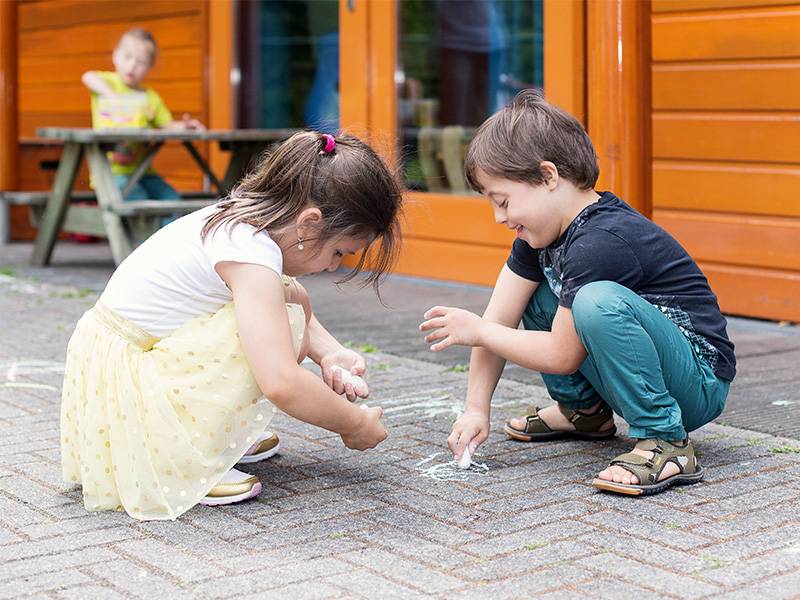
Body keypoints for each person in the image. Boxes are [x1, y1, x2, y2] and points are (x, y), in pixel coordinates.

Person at [61, 132, 403, 520]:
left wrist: (330, 353)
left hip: (122, 359)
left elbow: (294, 299)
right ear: (309, 224)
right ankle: (179, 458)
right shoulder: (251, 255)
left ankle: (207, 436)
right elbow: (281, 382)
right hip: (130, 379)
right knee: (278, 329)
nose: (336, 264)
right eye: (340, 250)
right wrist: (353, 423)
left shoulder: (248, 224)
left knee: (289, 301)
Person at [419, 90, 735, 496]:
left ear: (548, 176)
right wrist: (476, 408)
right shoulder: (540, 239)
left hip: (697, 381)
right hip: (646, 369)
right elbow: (499, 319)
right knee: (536, 296)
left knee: (595, 301)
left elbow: (559, 353)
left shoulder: (600, 241)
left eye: (503, 201)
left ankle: (665, 439)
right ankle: (584, 410)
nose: (499, 218)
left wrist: (477, 331)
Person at [81, 28, 204, 201]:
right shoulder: (109, 83)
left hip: (144, 171)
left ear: (149, 67)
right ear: (116, 56)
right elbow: (88, 77)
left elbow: (165, 125)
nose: (132, 65)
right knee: (141, 201)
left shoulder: (149, 97)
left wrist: (186, 126)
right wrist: (113, 97)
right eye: (127, 57)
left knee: (172, 200)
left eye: (140, 62)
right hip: (110, 173)